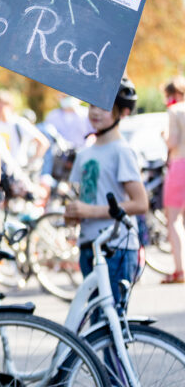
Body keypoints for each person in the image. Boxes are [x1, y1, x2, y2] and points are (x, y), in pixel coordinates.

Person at [64, 78, 148, 304]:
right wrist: (73, 214)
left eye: (104, 107)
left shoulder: (121, 151)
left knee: (110, 322)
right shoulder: (84, 154)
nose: (95, 112)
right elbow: (86, 198)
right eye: (92, 105)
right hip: (89, 246)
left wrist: (90, 211)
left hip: (115, 247)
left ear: (122, 112)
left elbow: (140, 203)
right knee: (94, 323)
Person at [161, 77, 185, 283]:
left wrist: (164, 137)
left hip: (180, 165)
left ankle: (180, 269)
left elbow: (173, 141)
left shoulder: (175, 111)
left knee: (174, 219)